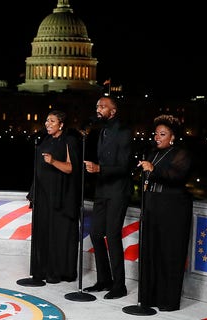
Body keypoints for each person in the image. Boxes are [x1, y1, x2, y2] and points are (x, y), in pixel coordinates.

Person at [17, 110, 82, 286]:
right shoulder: (44, 141)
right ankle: (41, 270)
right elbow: (38, 170)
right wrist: (33, 192)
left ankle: (59, 271)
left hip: (60, 197)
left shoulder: (69, 140)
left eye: (52, 121)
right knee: (43, 232)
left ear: (61, 124)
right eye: (46, 120)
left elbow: (71, 168)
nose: (47, 123)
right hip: (43, 196)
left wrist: (53, 161)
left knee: (57, 234)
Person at [137, 114, 193, 311]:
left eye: (162, 134)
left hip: (174, 211)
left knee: (169, 255)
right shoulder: (152, 153)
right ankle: (148, 299)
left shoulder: (181, 153)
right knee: (150, 252)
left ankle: (167, 301)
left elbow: (176, 177)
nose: (157, 137)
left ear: (172, 137)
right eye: (156, 134)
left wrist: (152, 170)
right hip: (153, 208)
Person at [83, 96, 133, 299]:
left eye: (102, 106)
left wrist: (99, 168)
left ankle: (119, 285)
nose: (98, 109)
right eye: (97, 106)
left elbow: (124, 166)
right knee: (95, 234)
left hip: (118, 191)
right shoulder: (101, 130)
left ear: (113, 111)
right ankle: (104, 280)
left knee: (112, 236)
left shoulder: (124, 131)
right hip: (102, 189)